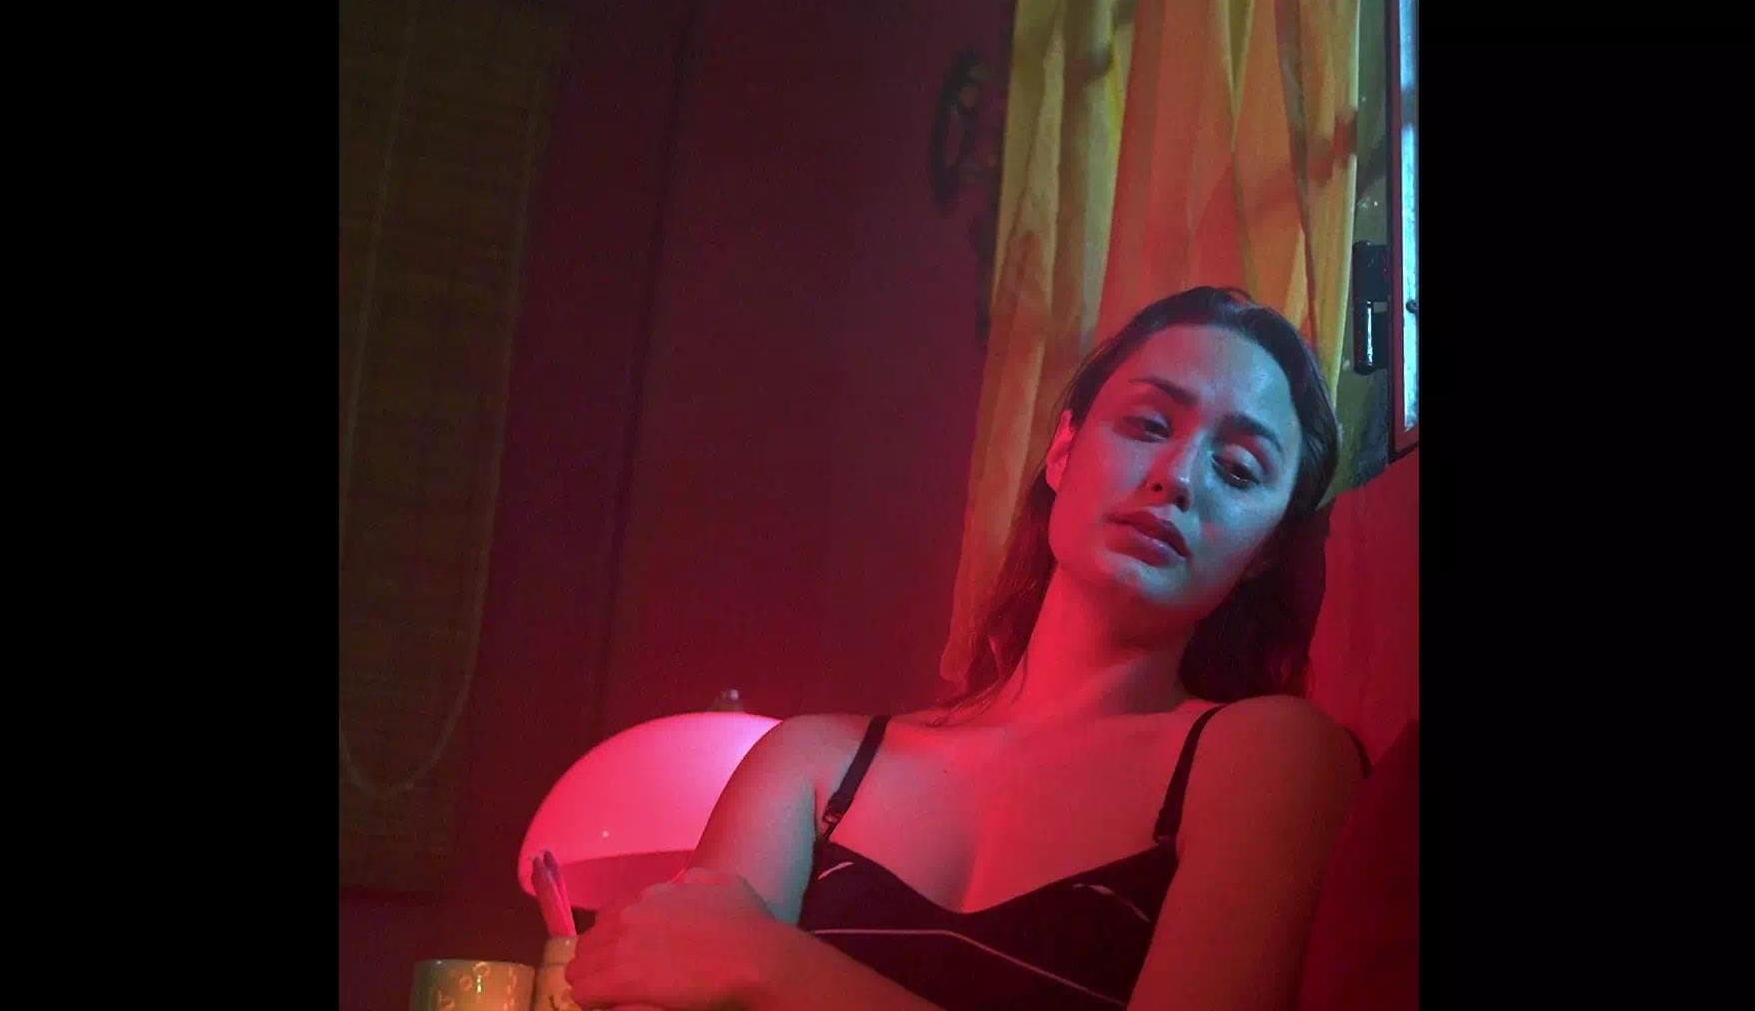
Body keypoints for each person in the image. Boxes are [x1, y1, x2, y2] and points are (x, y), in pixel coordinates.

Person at [567, 287, 1367, 1010]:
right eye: (1148, 425)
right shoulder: (811, 766)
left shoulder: (1268, 758)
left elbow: (721, 961)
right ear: (1062, 451)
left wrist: (768, 963)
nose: (1179, 476)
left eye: (1238, 469)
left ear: (1265, 550)